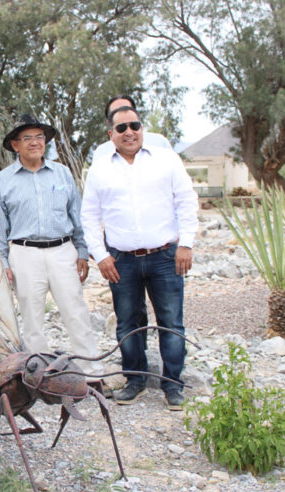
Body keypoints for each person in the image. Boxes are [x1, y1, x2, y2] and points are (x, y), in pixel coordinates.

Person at [80, 105, 198, 411]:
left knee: (171, 322)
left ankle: (172, 385)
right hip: (122, 261)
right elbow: (89, 216)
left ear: (141, 128)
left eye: (134, 125)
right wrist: (101, 255)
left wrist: (186, 244)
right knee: (128, 323)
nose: (129, 132)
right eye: (121, 128)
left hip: (165, 257)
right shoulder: (100, 168)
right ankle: (135, 380)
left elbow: (186, 200)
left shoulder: (167, 160)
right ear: (111, 135)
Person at [0, 114, 101, 374]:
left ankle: (91, 373)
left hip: (63, 251)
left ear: (45, 142)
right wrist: (3, 262)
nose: (34, 143)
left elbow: (77, 216)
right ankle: (39, 376)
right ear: (15, 145)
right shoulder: (2, 181)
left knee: (75, 310)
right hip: (24, 253)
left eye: (39, 137)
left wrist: (82, 251)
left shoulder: (62, 174)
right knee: (32, 318)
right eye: (27, 138)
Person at [91, 95, 173, 162]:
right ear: (109, 122)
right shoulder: (101, 152)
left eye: (127, 110)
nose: (129, 132)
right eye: (117, 113)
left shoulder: (160, 143)